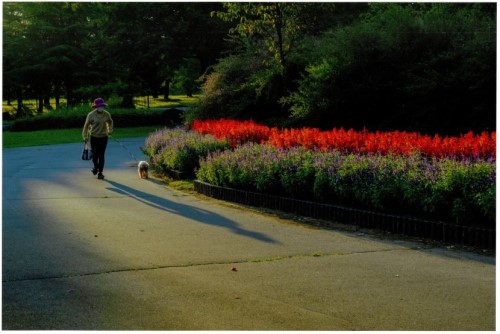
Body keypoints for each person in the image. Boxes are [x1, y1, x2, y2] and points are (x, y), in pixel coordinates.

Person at [82, 97, 113, 179]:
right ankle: (95, 167)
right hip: (94, 137)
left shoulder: (106, 114)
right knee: (95, 155)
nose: (100, 107)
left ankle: (100, 172)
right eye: (99, 106)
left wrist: (110, 130)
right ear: (95, 107)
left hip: (104, 137)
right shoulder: (91, 115)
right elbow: (86, 127)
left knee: (101, 155)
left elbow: (110, 122)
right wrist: (85, 137)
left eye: (102, 106)